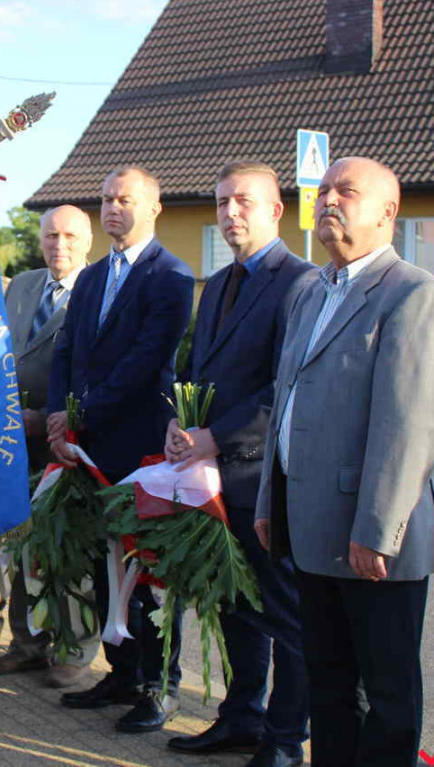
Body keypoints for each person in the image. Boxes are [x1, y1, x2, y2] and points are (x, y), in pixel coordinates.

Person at [255, 157, 434, 767]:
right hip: (309, 526)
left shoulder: (412, 292)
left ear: (388, 211)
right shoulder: (310, 291)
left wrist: (377, 530)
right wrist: (270, 500)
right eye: (324, 190)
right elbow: (285, 400)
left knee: (387, 692)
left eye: (347, 191)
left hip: (373, 537)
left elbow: (407, 426)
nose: (328, 200)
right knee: (328, 684)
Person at [165, 162, 315, 767]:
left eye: (243, 201)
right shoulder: (220, 283)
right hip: (217, 480)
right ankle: (241, 719)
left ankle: (285, 741)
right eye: (222, 202)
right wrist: (179, 422)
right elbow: (197, 371)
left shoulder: (298, 282)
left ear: (276, 210)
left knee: (286, 615)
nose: (230, 213)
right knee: (235, 606)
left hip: (264, 480)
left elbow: (287, 387)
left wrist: (216, 437)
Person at [50, 167, 194, 733]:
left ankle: (161, 686)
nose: (113, 207)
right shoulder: (91, 278)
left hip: (141, 449)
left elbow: (144, 363)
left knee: (147, 573)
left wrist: (79, 413)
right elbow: (66, 351)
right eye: (107, 198)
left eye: (125, 199)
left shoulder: (171, 276)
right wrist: (62, 418)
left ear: (154, 207)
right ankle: (122, 672)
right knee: (104, 567)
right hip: (89, 449)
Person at [0, 204, 91, 687]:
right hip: (13, 444)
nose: (58, 245)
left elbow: (93, 371)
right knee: (19, 549)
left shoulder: (96, 289)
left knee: (67, 554)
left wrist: (45, 418)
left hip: (65, 442)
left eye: (69, 236)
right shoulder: (22, 285)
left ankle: (72, 650)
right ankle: (25, 644)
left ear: (87, 242)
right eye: (50, 235)